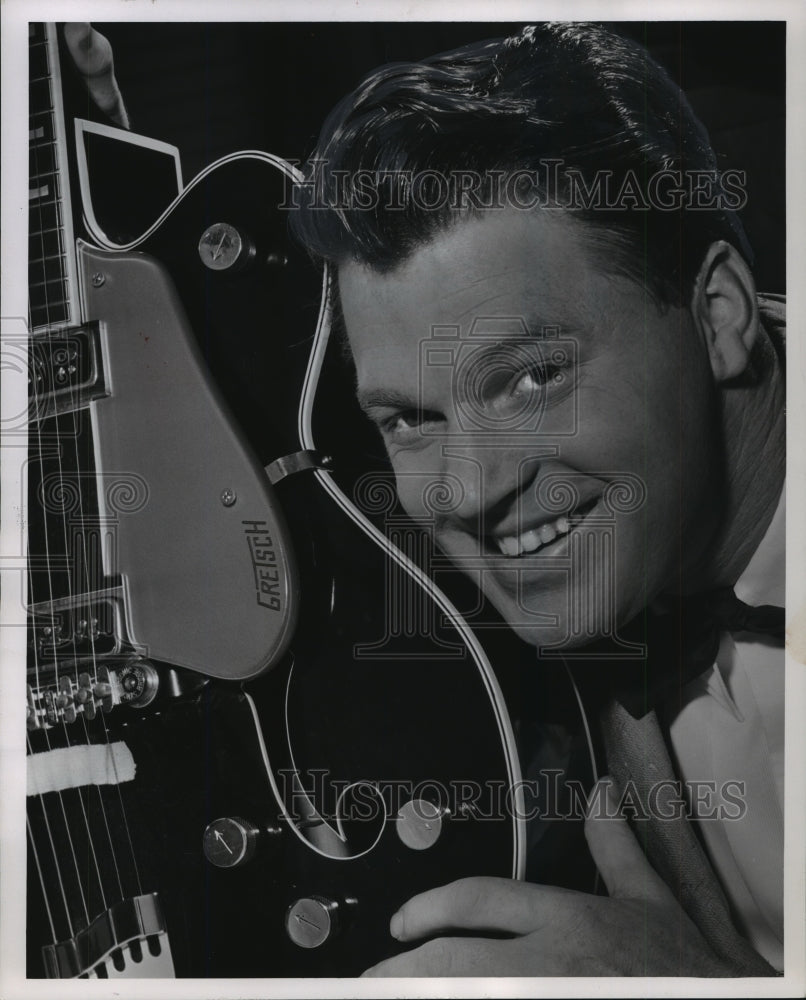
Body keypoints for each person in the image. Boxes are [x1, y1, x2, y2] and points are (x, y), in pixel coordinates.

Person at [288, 23, 785, 976]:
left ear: (717, 315)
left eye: (530, 379)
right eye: (409, 420)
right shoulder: (501, 641)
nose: (470, 493)